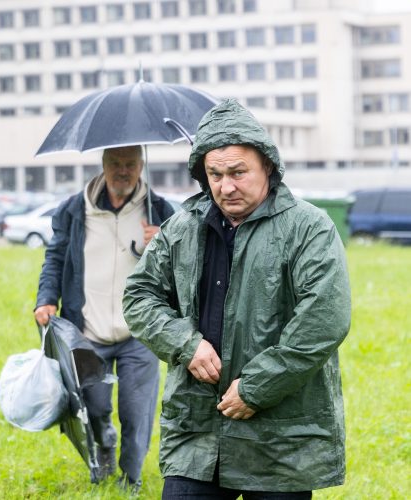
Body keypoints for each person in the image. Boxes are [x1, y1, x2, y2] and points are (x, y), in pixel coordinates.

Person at [123, 99, 351, 499]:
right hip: (197, 431)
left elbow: (324, 319)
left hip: (280, 434)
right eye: (215, 174)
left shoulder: (308, 228)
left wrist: (256, 388)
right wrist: (185, 344)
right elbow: (139, 296)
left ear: (268, 167)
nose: (225, 186)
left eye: (238, 172)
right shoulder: (181, 227)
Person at [34, 145, 174, 492]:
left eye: (130, 164)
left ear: (141, 166)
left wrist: (164, 245)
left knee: (136, 411)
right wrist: (46, 299)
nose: (123, 171)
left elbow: (182, 272)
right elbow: (55, 257)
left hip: (139, 331)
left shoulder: (161, 212)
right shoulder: (73, 209)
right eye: (115, 164)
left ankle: (131, 478)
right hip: (87, 331)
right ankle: (104, 445)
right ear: (103, 165)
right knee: (93, 407)